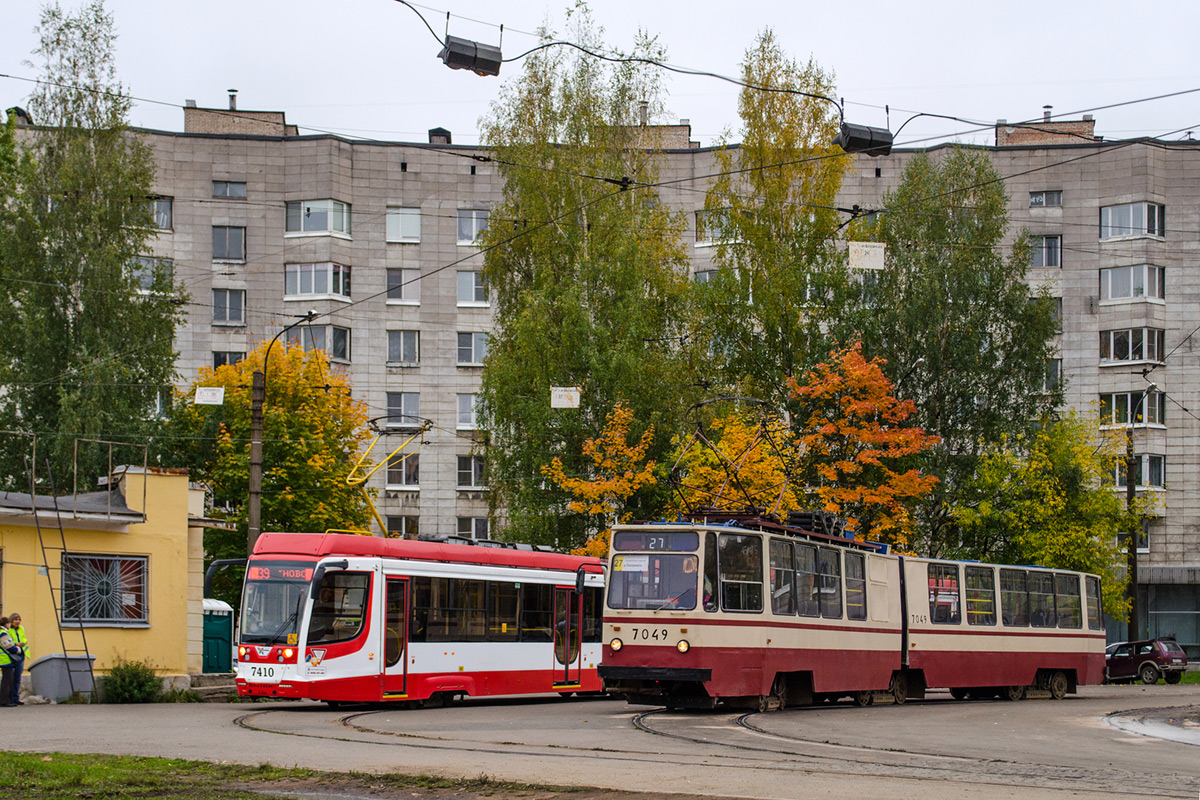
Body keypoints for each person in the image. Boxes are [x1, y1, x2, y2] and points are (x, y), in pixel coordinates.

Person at [0, 617, 21, 707]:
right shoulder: (3, 633)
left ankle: (8, 700)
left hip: (4, 659)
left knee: (8, 680)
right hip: (5, 660)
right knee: (7, 681)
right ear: (6, 624)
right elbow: (8, 646)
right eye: (8, 623)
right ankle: (4, 701)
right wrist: (17, 649)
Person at [7, 614, 27, 705]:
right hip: (12, 654)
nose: (18, 621)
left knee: (17, 678)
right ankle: (8, 698)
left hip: (21, 654)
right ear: (11, 621)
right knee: (10, 677)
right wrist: (16, 644)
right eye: (15, 619)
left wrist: (23, 643)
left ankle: (15, 698)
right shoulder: (8, 630)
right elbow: (7, 642)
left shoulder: (21, 629)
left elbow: (24, 639)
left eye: (19, 619)